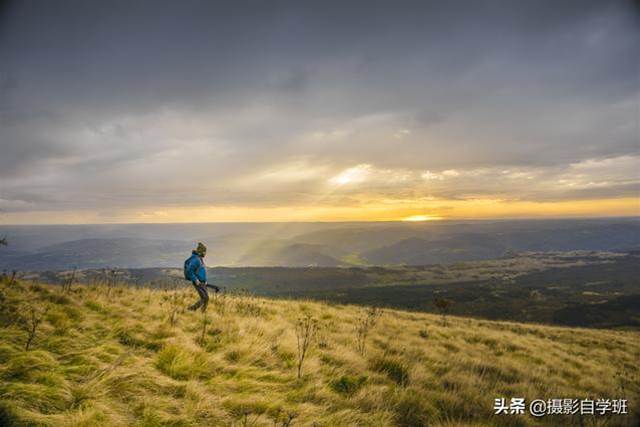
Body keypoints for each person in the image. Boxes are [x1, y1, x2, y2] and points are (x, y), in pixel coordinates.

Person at [184, 242, 219, 311]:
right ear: (200, 252)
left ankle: (202, 313)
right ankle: (190, 310)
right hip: (198, 282)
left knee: (206, 298)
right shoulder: (196, 260)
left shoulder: (199, 259)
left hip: (202, 282)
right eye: (204, 252)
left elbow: (200, 271)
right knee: (204, 298)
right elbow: (189, 270)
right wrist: (195, 279)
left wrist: (204, 280)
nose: (205, 254)